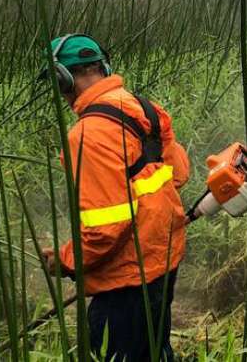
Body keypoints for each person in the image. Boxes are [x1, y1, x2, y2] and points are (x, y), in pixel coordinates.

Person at [39, 33, 190, 361]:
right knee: (155, 349)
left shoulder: (87, 135)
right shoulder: (143, 107)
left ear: (63, 79)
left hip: (128, 277)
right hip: (164, 259)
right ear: (103, 67)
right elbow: (178, 173)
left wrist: (65, 260)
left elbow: (106, 229)